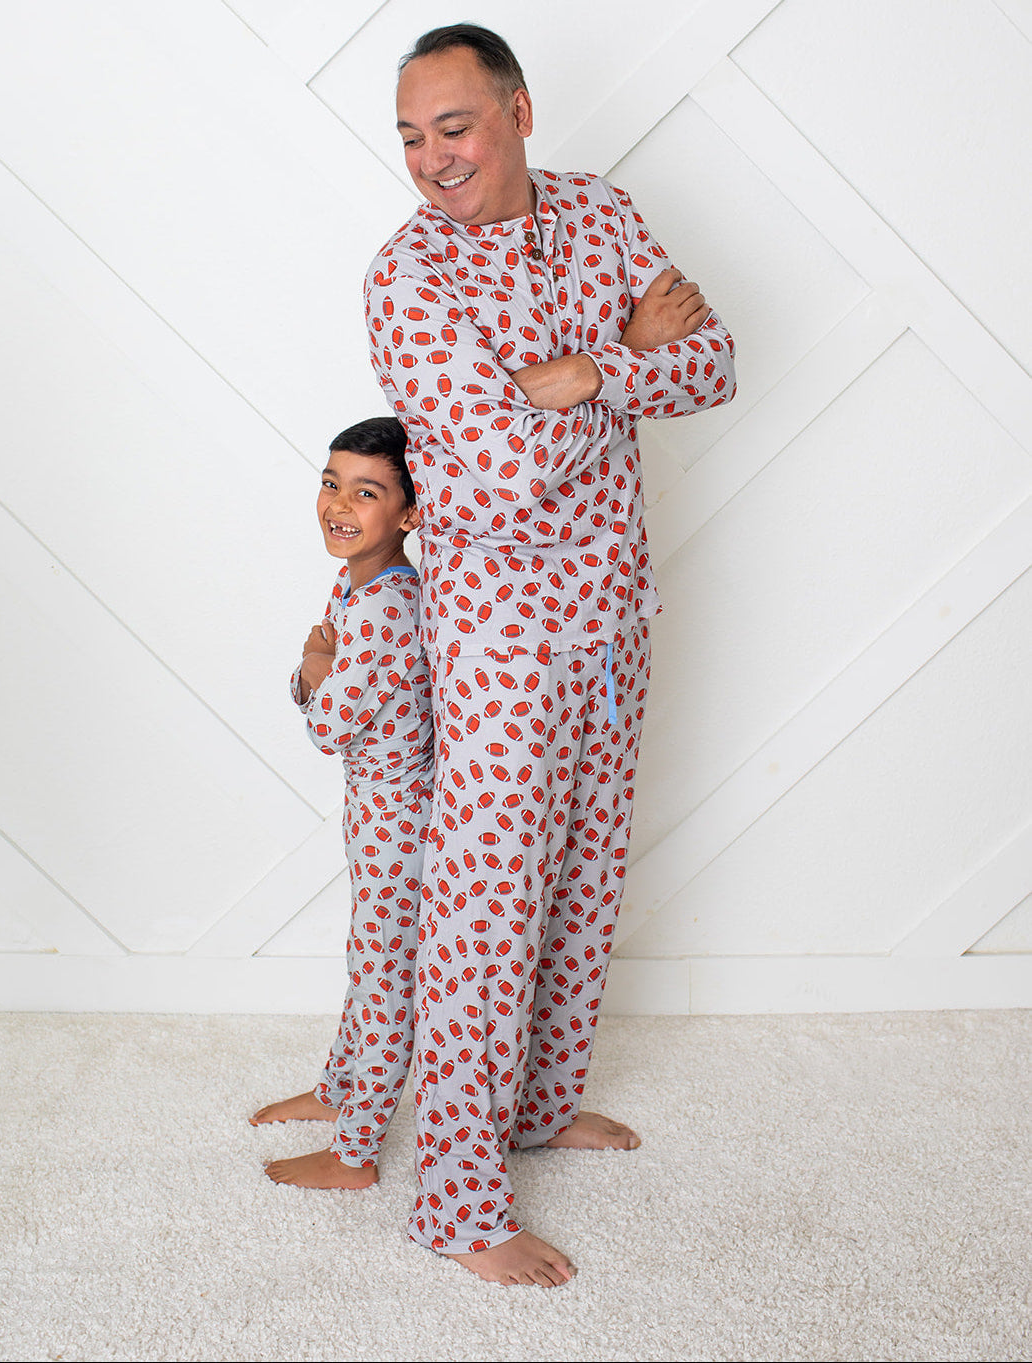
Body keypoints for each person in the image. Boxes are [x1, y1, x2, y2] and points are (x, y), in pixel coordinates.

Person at [365, 23, 737, 1284]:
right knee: (483, 908)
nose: (430, 157)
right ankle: (455, 1206)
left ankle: (537, 1108)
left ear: (518, 111)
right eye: (411, 135)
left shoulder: (603, 210)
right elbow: (507, 475)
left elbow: (714, 363)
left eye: (452, 126)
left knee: (582, 876)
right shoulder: (405, 280)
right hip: (499, 638)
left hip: (613, 612)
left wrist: (579, 375)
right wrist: (617, 366)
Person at [250, 416, 433, 1191]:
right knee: (366, 962)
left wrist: (314, 662)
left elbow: (326, 723)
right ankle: (336, 1089)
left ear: (410, 513)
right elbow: (318, 676)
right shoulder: (355, 577)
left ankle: (354, 1152)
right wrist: (316, 665)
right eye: (330, 483)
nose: (338, 505)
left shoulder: (389, 605)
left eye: (366, 491)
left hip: (401, 816)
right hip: (372, 806)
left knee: (385, 974)